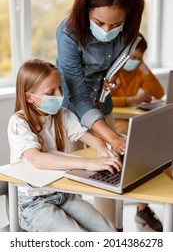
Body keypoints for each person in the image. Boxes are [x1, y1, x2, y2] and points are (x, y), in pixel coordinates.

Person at [56, 0, 144, 223]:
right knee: (75, 183)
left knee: (111, 175)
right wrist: (112, 137)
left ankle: (112, 232)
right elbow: (78, 94)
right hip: (71, 112)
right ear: (85, 12)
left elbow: (110, 67)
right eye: (100, 22)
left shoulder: (129, 31)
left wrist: (110, 78)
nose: (107, 30)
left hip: (103, 104)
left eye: (116, 25)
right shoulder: (68, 34)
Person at [7, 59, 122, 232]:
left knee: (109, 231)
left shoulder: (62, 114)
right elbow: (38, 159)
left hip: (63, 194)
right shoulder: (18, 122)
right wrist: (88, 163)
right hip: (32, 204)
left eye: (60, 89)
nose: (59, 96)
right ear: (29, 97)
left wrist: (103, 150)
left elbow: (89, 137)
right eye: (50, 92)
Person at [109, 33, 164, 232]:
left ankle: (143, 209)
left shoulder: (139, 71)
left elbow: (158, 93)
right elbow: (103, 100)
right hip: (115, 124)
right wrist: (132, 100)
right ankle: (142, 209)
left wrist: (144, 67)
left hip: (135, 121)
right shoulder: (113, 72)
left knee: (158, 148)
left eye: (139, 58)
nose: (134, 62)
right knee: (139, 149)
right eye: (131, 58)